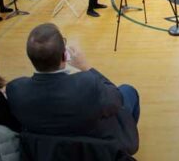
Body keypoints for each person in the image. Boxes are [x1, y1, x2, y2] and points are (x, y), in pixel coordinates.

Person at [7, 23, 139, 156]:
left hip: (47, 151)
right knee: (128, 91)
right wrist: (87, 67)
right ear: (64, 56)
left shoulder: (15, 90)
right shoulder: (87, 84)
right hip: (95, 147)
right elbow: (116, 98)